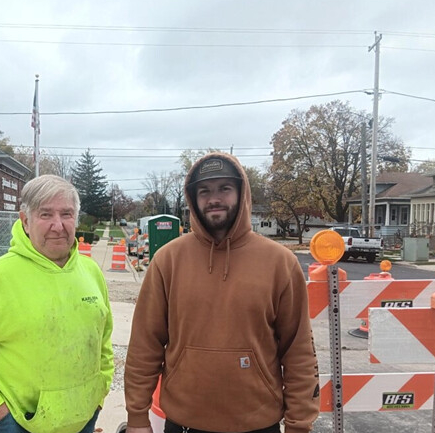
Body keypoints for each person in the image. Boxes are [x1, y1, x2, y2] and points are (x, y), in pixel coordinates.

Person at [124, 153, 319, 433]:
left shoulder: (279, 262)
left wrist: (299, 424)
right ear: (193, 199)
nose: (214, 198)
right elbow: (145, 345)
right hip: (184, 423)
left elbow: (298, 351)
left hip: (258, 424)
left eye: (224, 188)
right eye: (205, 191)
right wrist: (137, 418)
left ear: (242, 194)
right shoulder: (168, 261)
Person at [0, 174, 114, 433]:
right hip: (18, 423)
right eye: (46, 214)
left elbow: (103, 341)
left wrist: (100, 392)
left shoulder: (91, 272)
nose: (58, 225)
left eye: (66, 214)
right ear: (26, 221)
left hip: (84, 420)